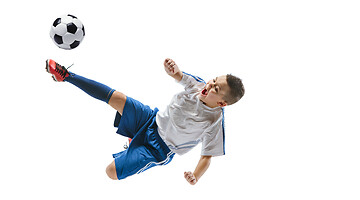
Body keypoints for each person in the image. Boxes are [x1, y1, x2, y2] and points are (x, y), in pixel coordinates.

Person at [45, 58, 245, 185]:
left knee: (111, 172)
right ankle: (67, 76)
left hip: (158, 149)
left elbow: (207, 156)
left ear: (221, 103)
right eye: (214, 80)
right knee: (118, 98)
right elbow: (179, 76)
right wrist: (173, 69)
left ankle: (133, 146)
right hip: (151, 120)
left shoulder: (214, 122)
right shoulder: (198, 85)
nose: (210, 85)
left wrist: (196, 175)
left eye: (216, 89)